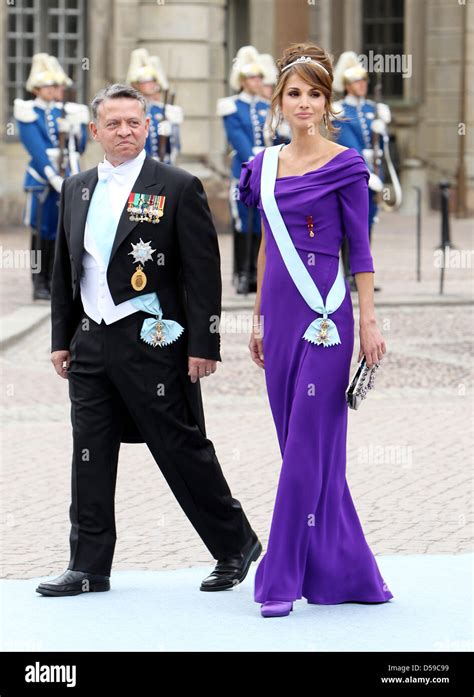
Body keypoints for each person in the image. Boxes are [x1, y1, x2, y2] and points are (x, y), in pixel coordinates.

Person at [36, 83, 261, 597]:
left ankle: (235, 544)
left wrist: (205, 344)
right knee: (89, 452)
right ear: (95, 131)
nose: (124, 131)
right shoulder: (77, 188)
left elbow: (203, 272)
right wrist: (61, 338)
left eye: (134, 122)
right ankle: (88, 564)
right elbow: (69, 268)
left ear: (148, 126)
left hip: (154, 340)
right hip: (91, 339)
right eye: (113, 123)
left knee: (178, 446)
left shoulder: (176, 186)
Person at [239, 44, 393, 618]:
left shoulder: (348, 163)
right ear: (279, 101)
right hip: (279, 317)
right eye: (294, 93)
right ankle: (345, 569)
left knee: (308, 444)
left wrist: (369, 319)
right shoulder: (262, 165)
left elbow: (362, 248)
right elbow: (265, 245)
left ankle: (278, 577)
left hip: (326, 320)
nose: (305, 103)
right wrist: (255, 317)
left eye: (315, 93)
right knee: (299, 449)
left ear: (328, 103)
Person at [15, 54, 88, 300]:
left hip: (68, 178)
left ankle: (60, 282)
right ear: (37, 87)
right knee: (41, 232)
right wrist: (52, 176)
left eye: (57, 85)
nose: (55, 90)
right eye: (49, 85)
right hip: (42, 182)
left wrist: (78, 128)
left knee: (64, 232)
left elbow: (79, 148)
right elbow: (36, 149)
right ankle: (39, 282)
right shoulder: (27, 111)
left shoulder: (66, 111)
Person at [331, 51, 394, 290]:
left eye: (364, 81)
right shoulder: (340, 110)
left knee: (368, 222)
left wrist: (383, 127)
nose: (363, 85)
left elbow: (382, 145)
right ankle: (347, 272)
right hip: (353, 175)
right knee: (351, 223)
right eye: (358, 81)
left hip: (375, 173)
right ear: (347, 85)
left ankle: (361, 273)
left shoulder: (372, 108)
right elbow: (350, 146)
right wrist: (367, 172)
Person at [216, 46, 269, 294]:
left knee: (260, 224)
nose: (257, 81)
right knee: (243, 223)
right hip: (245, 172)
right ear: (242, 80)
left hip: (267, 171)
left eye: (259, 77)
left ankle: (257, 273)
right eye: (252, 77)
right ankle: (242, 273)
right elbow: (237, 138)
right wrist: (255, 158)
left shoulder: (267, 107)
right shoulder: (232, 107)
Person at [126, 48, 183, 164]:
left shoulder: (163, 110)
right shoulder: (131, 110)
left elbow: (177, 147)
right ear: (137, 85)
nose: (151, 84)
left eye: (153, 81)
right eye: (146, 81)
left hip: (163, 166)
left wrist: (171, 131)